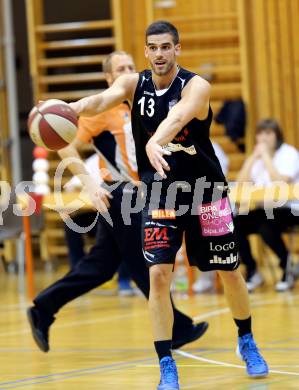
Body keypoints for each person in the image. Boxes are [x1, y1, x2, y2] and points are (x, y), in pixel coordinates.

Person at [66, 22, 268, 389]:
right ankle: (166, 363)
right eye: (152, 47)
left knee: (229, 271)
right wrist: (68, 109)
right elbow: (97, 102)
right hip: (162, 194)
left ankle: (246, 339)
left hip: (206, 192)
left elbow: (177, 117)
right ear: (146, 51)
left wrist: (154, 141)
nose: (159, 53)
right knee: (159, 275)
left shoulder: (197, 86)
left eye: (165, 47)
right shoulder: (132, 84)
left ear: (177, 49)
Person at [27, 50, 209, 356]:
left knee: (101, 266)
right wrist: (87, 182)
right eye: (120, 69)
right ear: (110, 78)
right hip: (122, 196)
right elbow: (63, 144)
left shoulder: (144, 102)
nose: (128, 71)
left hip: (144, 193)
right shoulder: (103, 111)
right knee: (144, 262)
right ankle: (176, 327)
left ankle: (43, 308)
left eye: (129, 66)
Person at [234, 119, 299, 292]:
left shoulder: (288, 153)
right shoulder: (256, 158)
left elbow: (280, 184)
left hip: (289, 208)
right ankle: (252, 269)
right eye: (260, 133)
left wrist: (265, 157)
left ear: (277, 136)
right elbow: (240, 186)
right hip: (265, 209)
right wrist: (252, 159)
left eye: (268, 133)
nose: (263, 138)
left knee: (266, 226)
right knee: (235, 223)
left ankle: (287, 268)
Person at [64, 153, 135, 295]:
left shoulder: (123, 158)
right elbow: (70, 187)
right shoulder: (91, 161)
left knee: (122, 228)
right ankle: (77, 273)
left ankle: (124, 280)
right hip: (92, 213)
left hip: (116, 212)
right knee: (70, 223)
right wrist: (89, 190)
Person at [192, 142, 229, 293]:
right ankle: (205, 277)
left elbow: (222, 171)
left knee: (218, 243)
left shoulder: (212, 145)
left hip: (212, 198)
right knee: (198, 239)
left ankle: (225, 274)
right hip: (189, 199)